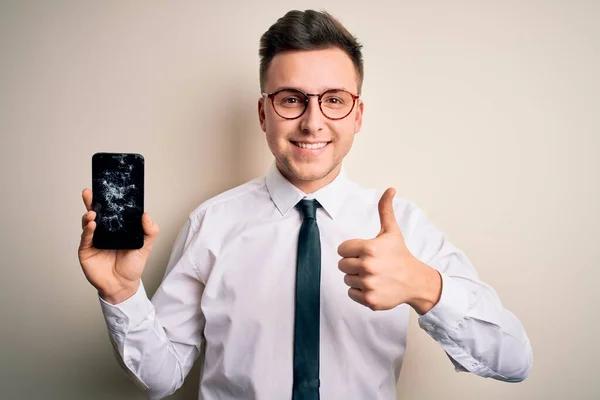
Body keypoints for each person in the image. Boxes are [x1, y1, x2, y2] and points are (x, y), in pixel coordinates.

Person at [78, 9, 532, 400]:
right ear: (263, 114)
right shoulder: (211, 224)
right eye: (291, 99)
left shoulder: (404, 228)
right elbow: (162, 379)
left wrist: (426, 288)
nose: (312, 122)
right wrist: (121, 295)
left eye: (334, 100)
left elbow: (513, 359)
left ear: (357, 115)